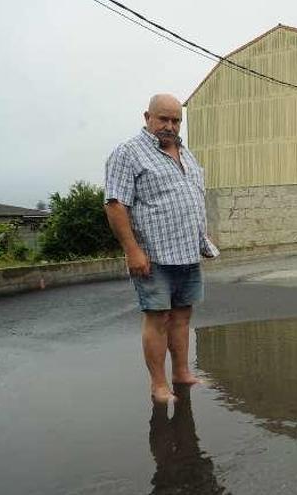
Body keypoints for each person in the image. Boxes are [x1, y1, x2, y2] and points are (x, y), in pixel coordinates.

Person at [104, 94, 219, 404]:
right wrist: (132, 250)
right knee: (158, 318)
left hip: (187, 252)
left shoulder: (187, 153)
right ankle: (159, 386)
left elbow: (189, 197)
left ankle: (182, 374)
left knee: (182, 317)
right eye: (163, 119)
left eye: (176, 120)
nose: (170, 126)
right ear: (147, 117)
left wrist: (201, 235)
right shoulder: (128, 153)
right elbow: (115, 205)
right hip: (153, 255)